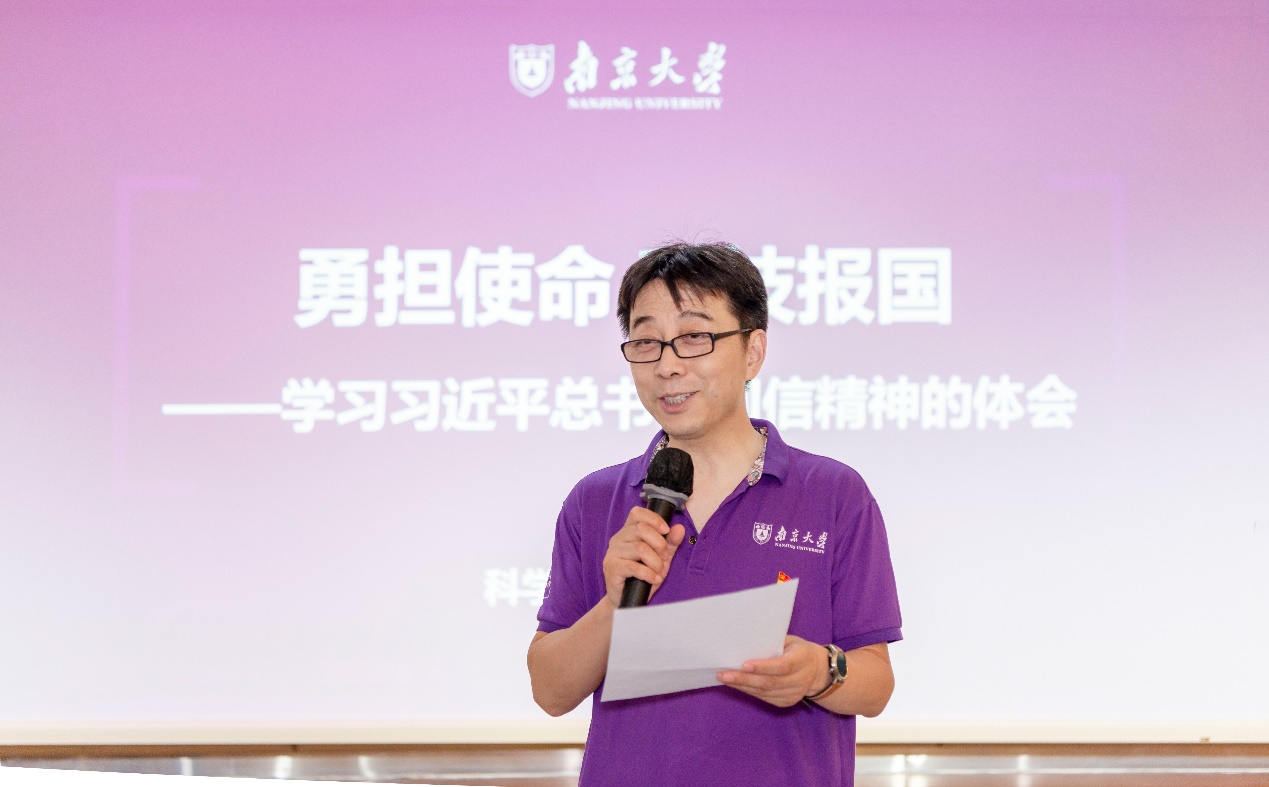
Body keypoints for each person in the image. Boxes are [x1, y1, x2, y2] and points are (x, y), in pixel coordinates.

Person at [528, 242, 902, 786]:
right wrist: (614, 605)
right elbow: (550, 690)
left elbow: (876, 684)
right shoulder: (596, 500)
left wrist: (818, 672)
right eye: (647, 341)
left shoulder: (833, 493)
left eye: (694, 338)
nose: (668, 365)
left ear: (753, 351)